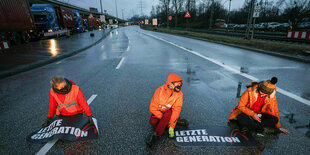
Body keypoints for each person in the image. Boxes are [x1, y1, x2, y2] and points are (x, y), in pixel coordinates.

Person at [146, 73, 187, 146]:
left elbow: (176, 110)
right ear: (170, 84)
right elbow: (152, 107)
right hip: (159, 112)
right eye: (177, 85)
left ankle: (156, 135)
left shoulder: (179, 95)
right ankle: (170, 121)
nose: (179, 87)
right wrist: (164, 119)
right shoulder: (159, 91)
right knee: (153, 122)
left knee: (168, 114)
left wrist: (171, 127)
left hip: (168, 113)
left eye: (180, 85)